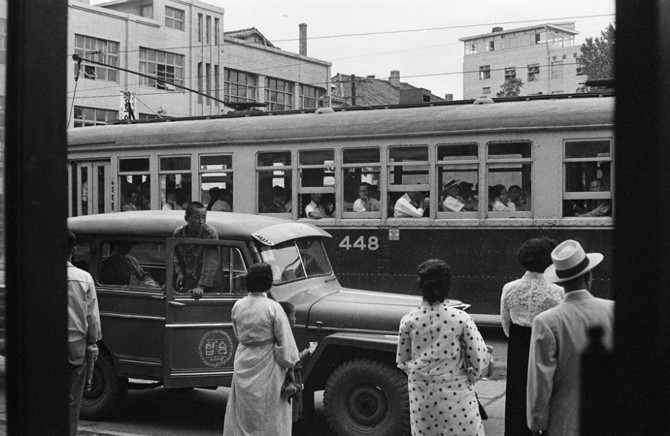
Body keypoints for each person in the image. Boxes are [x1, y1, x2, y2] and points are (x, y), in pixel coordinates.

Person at [527, 239, 615, 436]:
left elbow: (541, 379)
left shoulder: (546, 321)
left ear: (560, 282)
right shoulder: (613, 310)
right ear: (589, 276)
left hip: (564, 422)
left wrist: (536, 422)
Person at [397, 259, 493, 436]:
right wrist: (470, 378)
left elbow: (403, 361)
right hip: (457, 395)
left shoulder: (408, 320)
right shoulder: (460, 318)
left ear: (421, 285)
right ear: (447, 285)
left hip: (422, 396)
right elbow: (479, 360)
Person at [222, 264, 300, 436]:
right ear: (269, 283)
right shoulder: (273, 308)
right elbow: (286, 344)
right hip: (268, 362)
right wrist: (290, 368)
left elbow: (238, 335)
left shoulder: (238, 306)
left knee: (244, 410)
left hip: (244, 358)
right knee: (269, 412)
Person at [500, 237, 564, 436]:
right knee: (546, 392)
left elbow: (505, 324)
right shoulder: (557, 291)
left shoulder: (509, 288)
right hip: (547, 343)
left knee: (517, 394)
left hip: (518, 343)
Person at [67, 231, 102, 436]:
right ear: (72, 251)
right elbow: (92, 317)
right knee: (72, 399)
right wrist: (92, 341)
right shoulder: (83, 278)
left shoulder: (40, 275)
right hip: (75, 344)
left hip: (46, 342)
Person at [172, 201, 219, 300]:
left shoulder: (210, 234)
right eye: (197, 217)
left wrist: (201, 286)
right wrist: (179, 272)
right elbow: (175, 256)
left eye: (204, 217)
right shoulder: (178, 234)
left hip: (209, 285)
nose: (201, 221)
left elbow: (211, 261)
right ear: (187, 219)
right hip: (188, 282)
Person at [278, 301, 313, 426]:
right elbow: (290, 359)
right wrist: (305, 354)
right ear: (285, 317)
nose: (295, 319)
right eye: (294, 315)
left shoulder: (284, 333)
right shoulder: (284, 336)